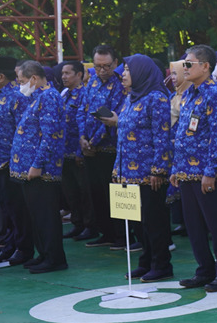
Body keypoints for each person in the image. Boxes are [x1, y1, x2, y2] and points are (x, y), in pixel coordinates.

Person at [169, 45, 217, 292]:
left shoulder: (216, 95)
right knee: (194, 226)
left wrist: (210, 171)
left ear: (205, 66)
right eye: (184, 64)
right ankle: (204, 271)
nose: (184, 68)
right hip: (186, 171)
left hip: (207, 173)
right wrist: (176, 167)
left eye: (189, 63)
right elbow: (183, 134)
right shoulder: (189, 94)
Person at [110, 55, 173, 282]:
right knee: (139, 222)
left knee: (153, 221)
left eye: (127, 70)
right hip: (129, 172)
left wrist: (158, 170)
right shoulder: (131, 98)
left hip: (149, 173)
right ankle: (145, 262)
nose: (123, 75)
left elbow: (162, 136)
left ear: (141, 72)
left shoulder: (156, 98)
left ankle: (161, 263)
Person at [10, 61, 67, 273]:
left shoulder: (49, 97)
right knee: (37, 216)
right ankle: (44, 254)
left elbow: (49, 136)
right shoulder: (37, 98)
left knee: (46, 216)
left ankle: (54, 258)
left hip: (42, 171)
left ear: (34, 78)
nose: (20, 85)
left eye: (22, 81)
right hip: (31, 171)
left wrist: (37, 165)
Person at [81, 45, 126, 249]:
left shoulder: (120, 85)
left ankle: (120, 235)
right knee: (96, 193)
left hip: (110, 149)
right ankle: (105, 232)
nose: (102, 70)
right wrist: (82, 138)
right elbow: (82, 110)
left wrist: (93, 142)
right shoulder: (91, 83)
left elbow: (110, 117)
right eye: (98, 66)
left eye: (106, 66)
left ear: (115, 63)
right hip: (90, 149)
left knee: (114, 194)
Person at [58, 61, 95, 241]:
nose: (63, 76)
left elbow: (85, 121)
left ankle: (90, 226)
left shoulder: (85, 94)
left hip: (78, 151)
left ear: (79, 74)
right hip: (64, 152)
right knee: (70, 191)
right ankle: (77, 223)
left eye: (67, 73)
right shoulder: (64, 94)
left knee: (84, 192)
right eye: (62, 73)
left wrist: (81, 152)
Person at [0, 56, 28, 262]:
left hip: (12, 161)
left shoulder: (16, 97)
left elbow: (23, 132)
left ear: (0, 77)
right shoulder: (0, 96)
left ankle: (24, 247)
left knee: (17, 207)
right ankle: (11, 243)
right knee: (6, 206)